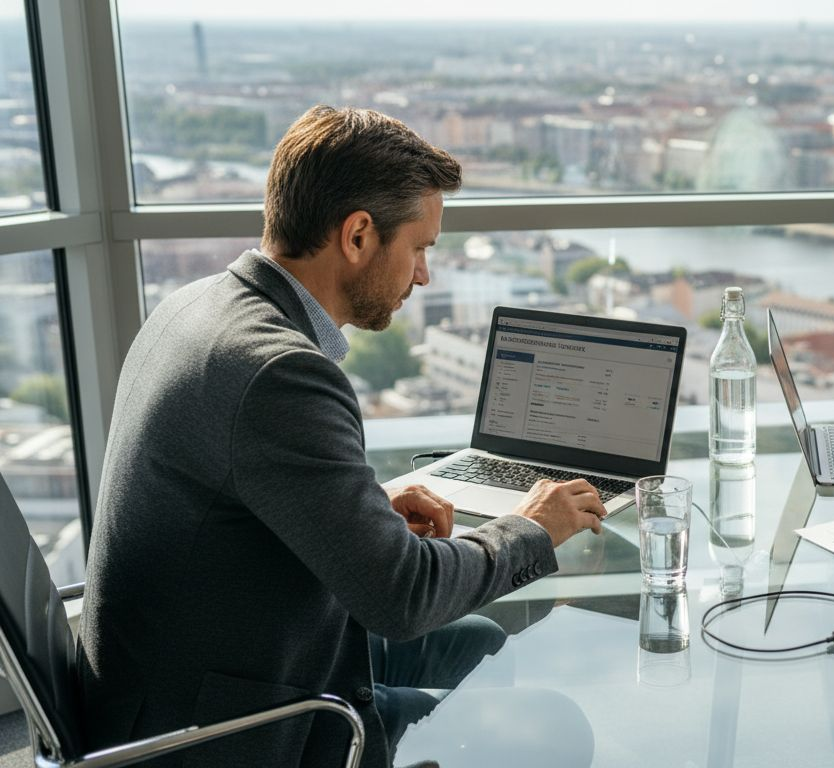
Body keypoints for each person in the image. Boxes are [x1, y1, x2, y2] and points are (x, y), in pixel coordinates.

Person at [77, 105, 607, 768]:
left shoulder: (197, 307)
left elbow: (232, 502)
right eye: (418, 249)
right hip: (221, 727)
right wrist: (533, 527)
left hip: (196, 666)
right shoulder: (280, 373)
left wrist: (363, 515)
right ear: (357, 235)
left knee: (481, 643)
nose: (423, 275)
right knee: (556, 726)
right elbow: (402, 598)